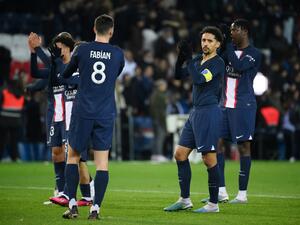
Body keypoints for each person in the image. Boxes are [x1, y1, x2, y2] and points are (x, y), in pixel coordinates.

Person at [58, 14, 124, 219]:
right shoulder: (118, 54)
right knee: (102, 163)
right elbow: (115, 74)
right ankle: (95, 209)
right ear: (111, 31)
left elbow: (66, 74)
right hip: (105, 112)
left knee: (74, 157)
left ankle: (72, 204)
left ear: (94, 29)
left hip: (83, 111)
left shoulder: (82, 49)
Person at [28, 33, 93, 206]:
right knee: (56, 154)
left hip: (72, 117)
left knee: (73, 156)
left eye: (59, 47)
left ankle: (78, 193)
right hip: (56, 115)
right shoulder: (55, 67)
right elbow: (37, 73)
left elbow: (65, 77)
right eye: (55, 48)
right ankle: (61, 191)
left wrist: (38, 49)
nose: (56, 51)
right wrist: (34, 54)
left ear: (69, 47)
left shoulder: (78, 68)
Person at [164, 26, 225, 213]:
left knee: (208, 159)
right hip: (196, 112)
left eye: (209, 41)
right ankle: (184, 200)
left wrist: (189, 60)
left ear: (217, 44)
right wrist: (181, 58)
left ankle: (214, 204)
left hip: (209, 112)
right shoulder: (198, 59)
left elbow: (199, 79)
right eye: (203, 40)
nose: (205, 43)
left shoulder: (218, 63)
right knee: (180, 155)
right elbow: (177, 75)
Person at [210, 19, 262, 204]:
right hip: (224, 105)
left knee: (243, 146)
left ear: (245, 31)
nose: (231, 33)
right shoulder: (227, 52)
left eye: (234, 30)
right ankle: (222, 191)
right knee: (217, 144)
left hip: (243, 105)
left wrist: (227, 47)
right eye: (230, 30)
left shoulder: (254, 54)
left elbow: (238, 66)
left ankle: (242, 195)